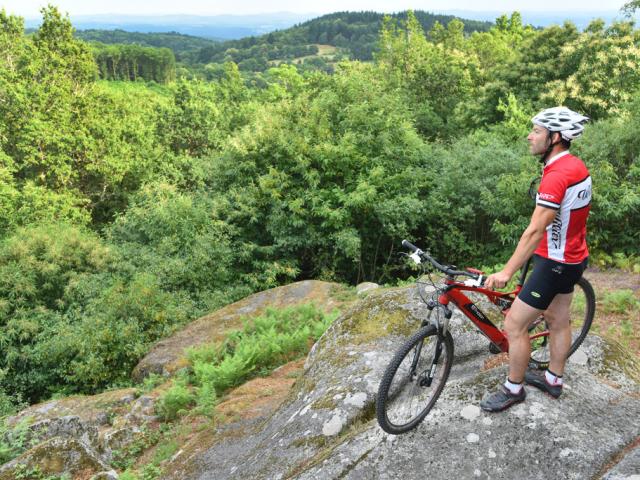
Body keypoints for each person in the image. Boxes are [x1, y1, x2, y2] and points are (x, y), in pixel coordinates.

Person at [480, 106, 591, 412]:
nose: (530, 136)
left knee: (514, 325)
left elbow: (534, 230)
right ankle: (554, 379)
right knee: (557, 319)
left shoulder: (557, 176)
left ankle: (513, 389)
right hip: (572, 259)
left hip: (555, 264)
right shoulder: (575, 166)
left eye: (538, 131)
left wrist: (506, 271)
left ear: (556, 138)